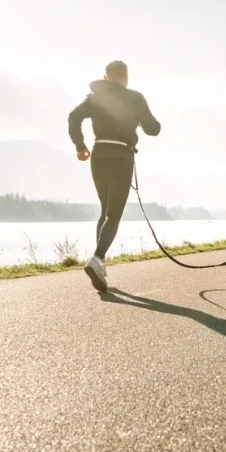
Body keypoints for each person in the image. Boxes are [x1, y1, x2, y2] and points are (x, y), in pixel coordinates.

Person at [68, 60, 161, 292]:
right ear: (126, 78)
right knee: (114, 213)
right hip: (121, 155)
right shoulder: (135, 97)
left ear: (105, 77)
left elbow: (73, 117)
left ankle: (99, 261)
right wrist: (144, 120)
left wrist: (80, 146)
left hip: (98, 154)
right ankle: (97, 258)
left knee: (105, 210)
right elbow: (153, 129)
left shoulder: (94, 98)